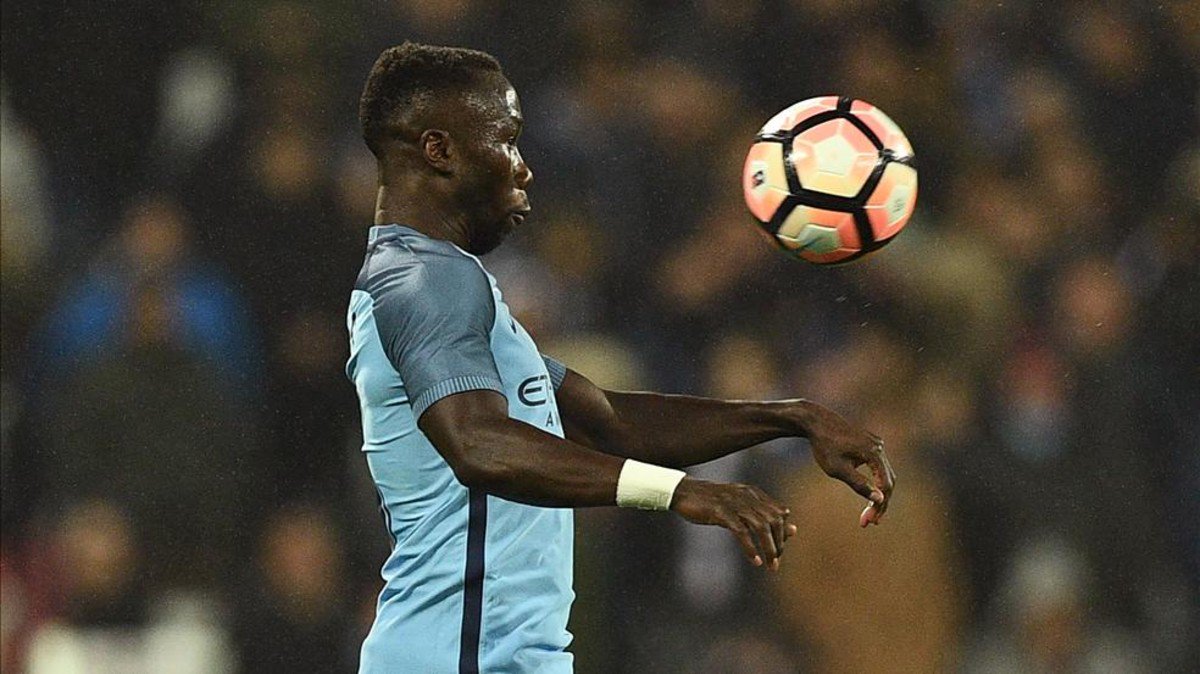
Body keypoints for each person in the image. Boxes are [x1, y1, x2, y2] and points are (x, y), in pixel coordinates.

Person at [347, 42, 896, 673]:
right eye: (507, 141)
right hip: (458, 657)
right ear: (439, 150)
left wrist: (793, 417)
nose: (524, 169)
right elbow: (477, 445)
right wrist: (677, 491)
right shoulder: (422, 281)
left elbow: (608, 421)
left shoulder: (449, 284)